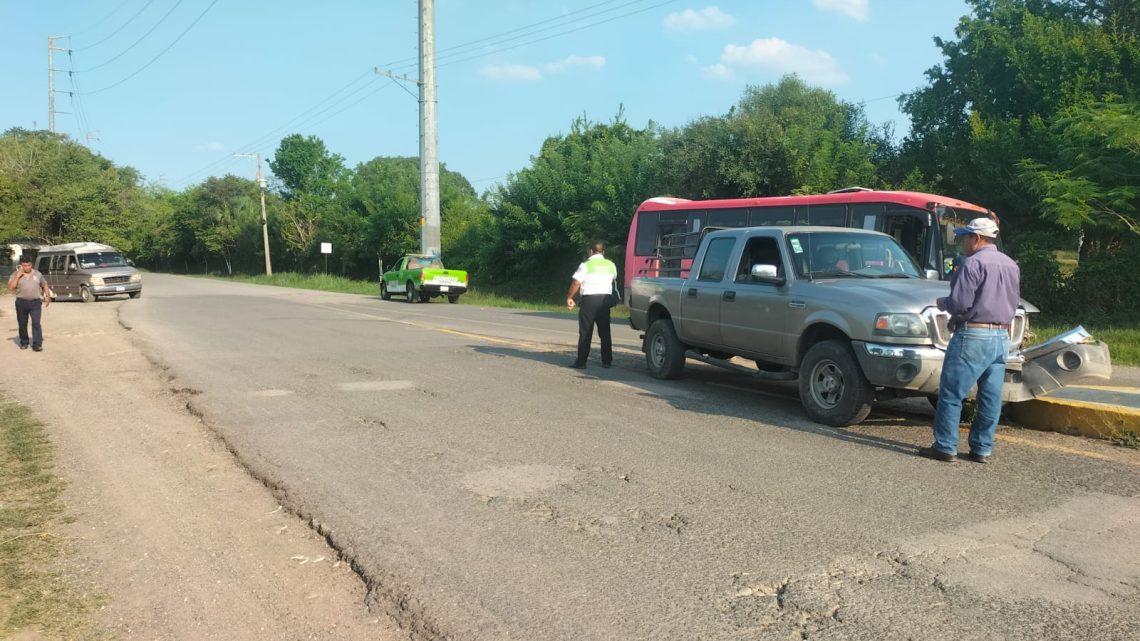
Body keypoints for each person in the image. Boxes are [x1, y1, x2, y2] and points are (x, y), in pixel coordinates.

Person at [918, 217, 1020, 464]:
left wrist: (944, 303)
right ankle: (982, 449)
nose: (962, 243)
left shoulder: (973, 263)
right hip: (1000, 336)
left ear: (976, 238)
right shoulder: (1010, 265)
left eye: (965, 238)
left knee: (952, 393)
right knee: (990, 397)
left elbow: (959, 303)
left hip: (973, 334)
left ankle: (945, 446)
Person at [565, 241, 618, 369]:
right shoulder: (611, 265)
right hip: (605, 300)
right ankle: (607, 361)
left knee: (586, 332)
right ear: (603, 252)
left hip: (589, 301)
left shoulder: (586, 265)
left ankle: (581, 362)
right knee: (605, 332)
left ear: (590, 251)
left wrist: (570, 297)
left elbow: (576, 282)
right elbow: (613, 279)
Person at [8, 256, 51, 352]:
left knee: (36, 323)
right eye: (24, 265)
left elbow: (44, 284)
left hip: (35, 303)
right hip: (21, 302)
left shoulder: (37, 274)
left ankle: (37, 344)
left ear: (31, 265)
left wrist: (47, 296)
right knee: (22, 323)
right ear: (21, 265)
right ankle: (24, 342)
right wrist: (18, 276)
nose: (26, 267)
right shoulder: (15, 274)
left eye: (28, 265)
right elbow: (11, 287)